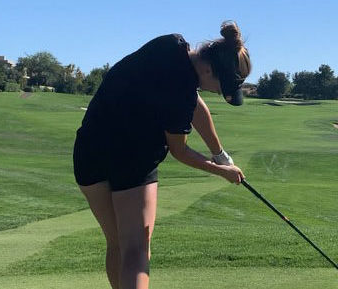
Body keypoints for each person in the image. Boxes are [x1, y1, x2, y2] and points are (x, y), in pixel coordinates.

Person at [73, 21, 251, 289]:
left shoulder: (170, 45)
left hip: (88, 150)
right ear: (207, 69)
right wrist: (222, 171)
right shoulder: (181, 97)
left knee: (118, 243)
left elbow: (194, 101)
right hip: (133, 156)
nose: (216, 92)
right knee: (136, 250)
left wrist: (219, 153)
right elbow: (180, 151)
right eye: (219, 87)